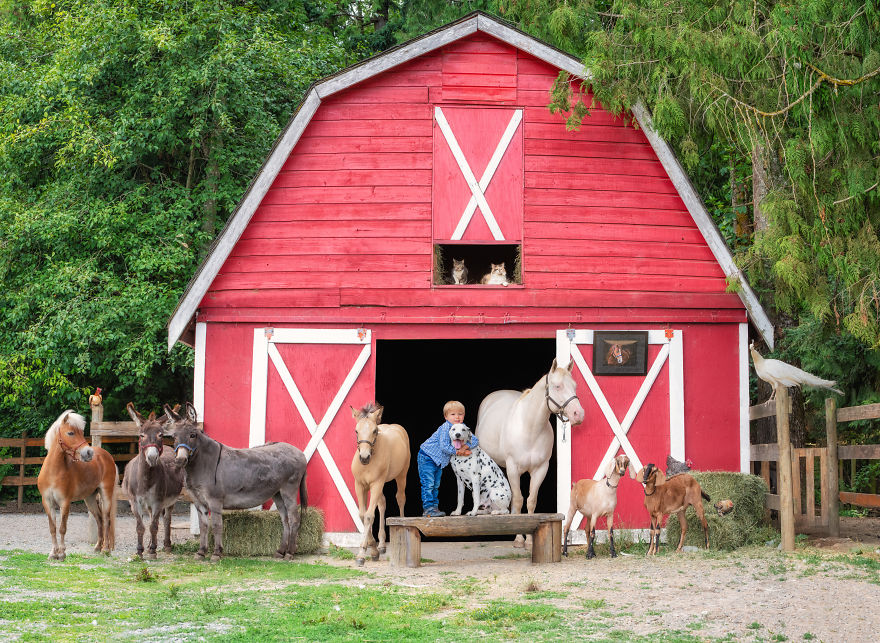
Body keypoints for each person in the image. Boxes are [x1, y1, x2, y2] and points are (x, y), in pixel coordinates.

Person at [418, 400, 478, 517]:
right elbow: (444, 446)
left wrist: (465, 446)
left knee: (436, 485)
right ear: (446, 416)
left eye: (460, 414)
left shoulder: (463, 427)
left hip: (438, 461)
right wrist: (459, 452)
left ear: (464, 416)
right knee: (428, 484)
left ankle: (434, 508)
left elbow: (475, 440)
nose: (457, 417)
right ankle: (428, 509)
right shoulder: (446, 427)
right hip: (427, 457)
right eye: (453, 414)